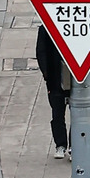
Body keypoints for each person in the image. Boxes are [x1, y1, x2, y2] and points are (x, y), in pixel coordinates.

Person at [35, 21, 71, 159]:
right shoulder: (45, 29)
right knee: (57, 114)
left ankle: (74, 145)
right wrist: (46, 75)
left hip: (74, 78)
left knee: (78, 112)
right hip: (54, 80)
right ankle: (60, 145)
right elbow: (41, 52)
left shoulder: (76, 25)